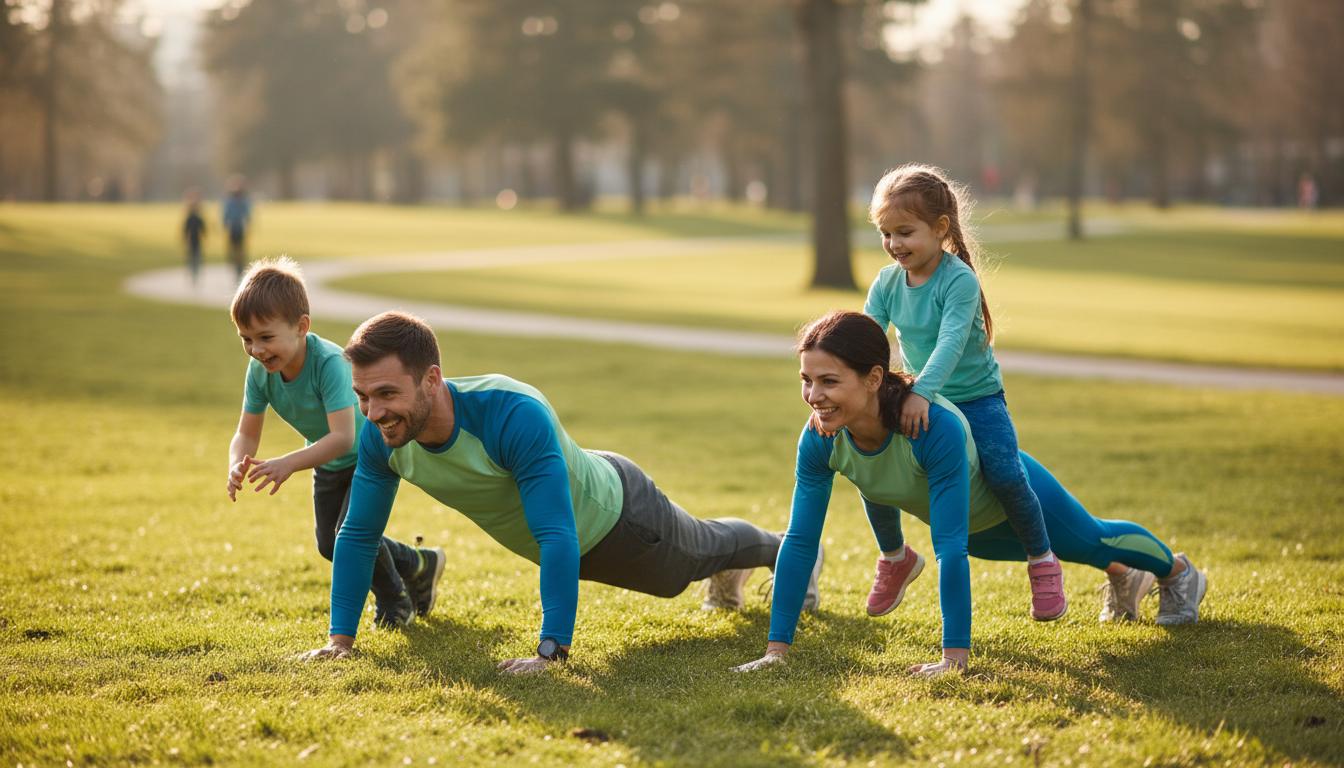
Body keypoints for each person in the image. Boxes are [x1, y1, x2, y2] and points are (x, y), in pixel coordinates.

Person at [298, 311, 820, 673]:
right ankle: (755, 556)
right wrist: (339, 642)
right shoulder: (381, 435)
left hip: (621, 517)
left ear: (431, 379)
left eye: (387, 393)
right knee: (693, 558)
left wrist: (551, 652)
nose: (373, 411)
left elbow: (555, 530)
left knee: (690, 561)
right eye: (363, 396)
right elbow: (358, 533)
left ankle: (792, 550)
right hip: (572, 541)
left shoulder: (509, 411)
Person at [735, 311, 1207, 677]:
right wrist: (776, 650)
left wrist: (953, 658)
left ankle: (1179, 573)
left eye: (829, 381)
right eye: (806, 380)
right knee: (1080, 550)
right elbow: (799, 540)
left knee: (1090, 541)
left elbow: (950, 548)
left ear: (874, 378)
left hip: (1013, 504)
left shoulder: (929, 425)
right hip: (976, 533)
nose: (814, 395)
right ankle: (1125, 578)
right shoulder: (821, 436)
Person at [857, 163, 1066, 622]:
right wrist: (853, 392)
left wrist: (922, 394)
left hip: (974, 399)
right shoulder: (887, 282)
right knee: (868, 464)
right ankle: (896, 558)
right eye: (886, 234)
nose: (894, 245)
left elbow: (950, 343)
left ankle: (1042, 560)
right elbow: (868, 337)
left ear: (940, 228)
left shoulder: (958, 280)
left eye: (905, 232)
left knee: (1007, 474)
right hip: (917, 394)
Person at [226, 258, 441, 630]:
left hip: (368, 456)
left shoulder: (327, 364)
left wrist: (288, 463)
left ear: (301, 327)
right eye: (247, 339)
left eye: (266, 337)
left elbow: (344, 438)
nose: (257, 350)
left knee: (351, 538)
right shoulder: (260, 372)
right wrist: (236, 461)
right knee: (330, 545)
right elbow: (247, 430)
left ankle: (396, 603)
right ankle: (420, 564)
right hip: (327, 460)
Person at [222, 176, 252, 282]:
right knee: (234, 250)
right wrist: (225, 224)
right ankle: (236, 268)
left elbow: (247, 214)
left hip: (240, 229)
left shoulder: (243, 201)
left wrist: (248, 223)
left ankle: (240, 269)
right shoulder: (230, 201)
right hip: (233, 229)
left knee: (240, 250)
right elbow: (226, 214)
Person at [182, 190, 206, 287]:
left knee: (196, 258)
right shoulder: (190, 218)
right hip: (192, 241)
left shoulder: (197, 218)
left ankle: (195, 275)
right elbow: (185, 230)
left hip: (197, 241)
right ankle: (193, 275)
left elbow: (203, 229)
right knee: (192, 259)